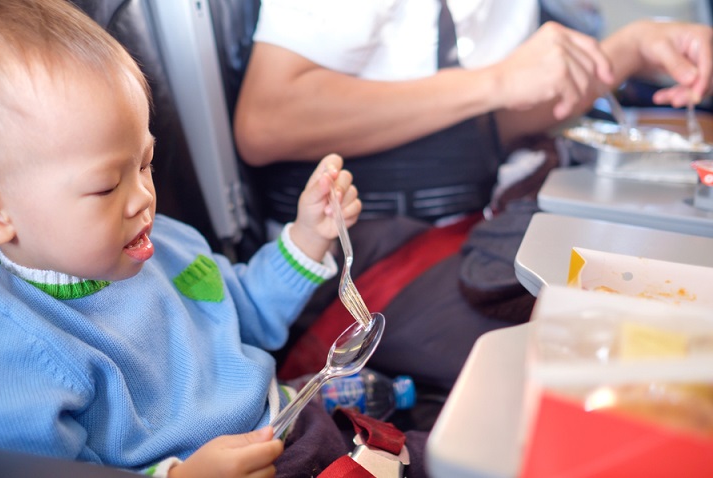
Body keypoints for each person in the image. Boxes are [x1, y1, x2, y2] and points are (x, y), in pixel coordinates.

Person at [0, 1, 433, 477]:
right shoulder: (8, 345)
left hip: (295, 421)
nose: (142, 197)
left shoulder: (162, 242)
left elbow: (245, 312)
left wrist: (308, 237)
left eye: (146, 163)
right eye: (106, 185)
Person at [231, 0, 713, 397]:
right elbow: (265, 121)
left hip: (481, 226)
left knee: (670, 295)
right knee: (643, 353)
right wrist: (497, 80)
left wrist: (625, 52)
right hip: (368, 269)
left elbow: (489, 124)